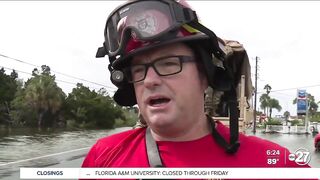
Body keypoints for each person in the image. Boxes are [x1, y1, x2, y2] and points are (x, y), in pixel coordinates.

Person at [82, 0, 310, 175]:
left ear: (205, 75)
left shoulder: (275, 165)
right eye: (139, 70)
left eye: (169, 63)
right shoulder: (102, 157)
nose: (150, 80)